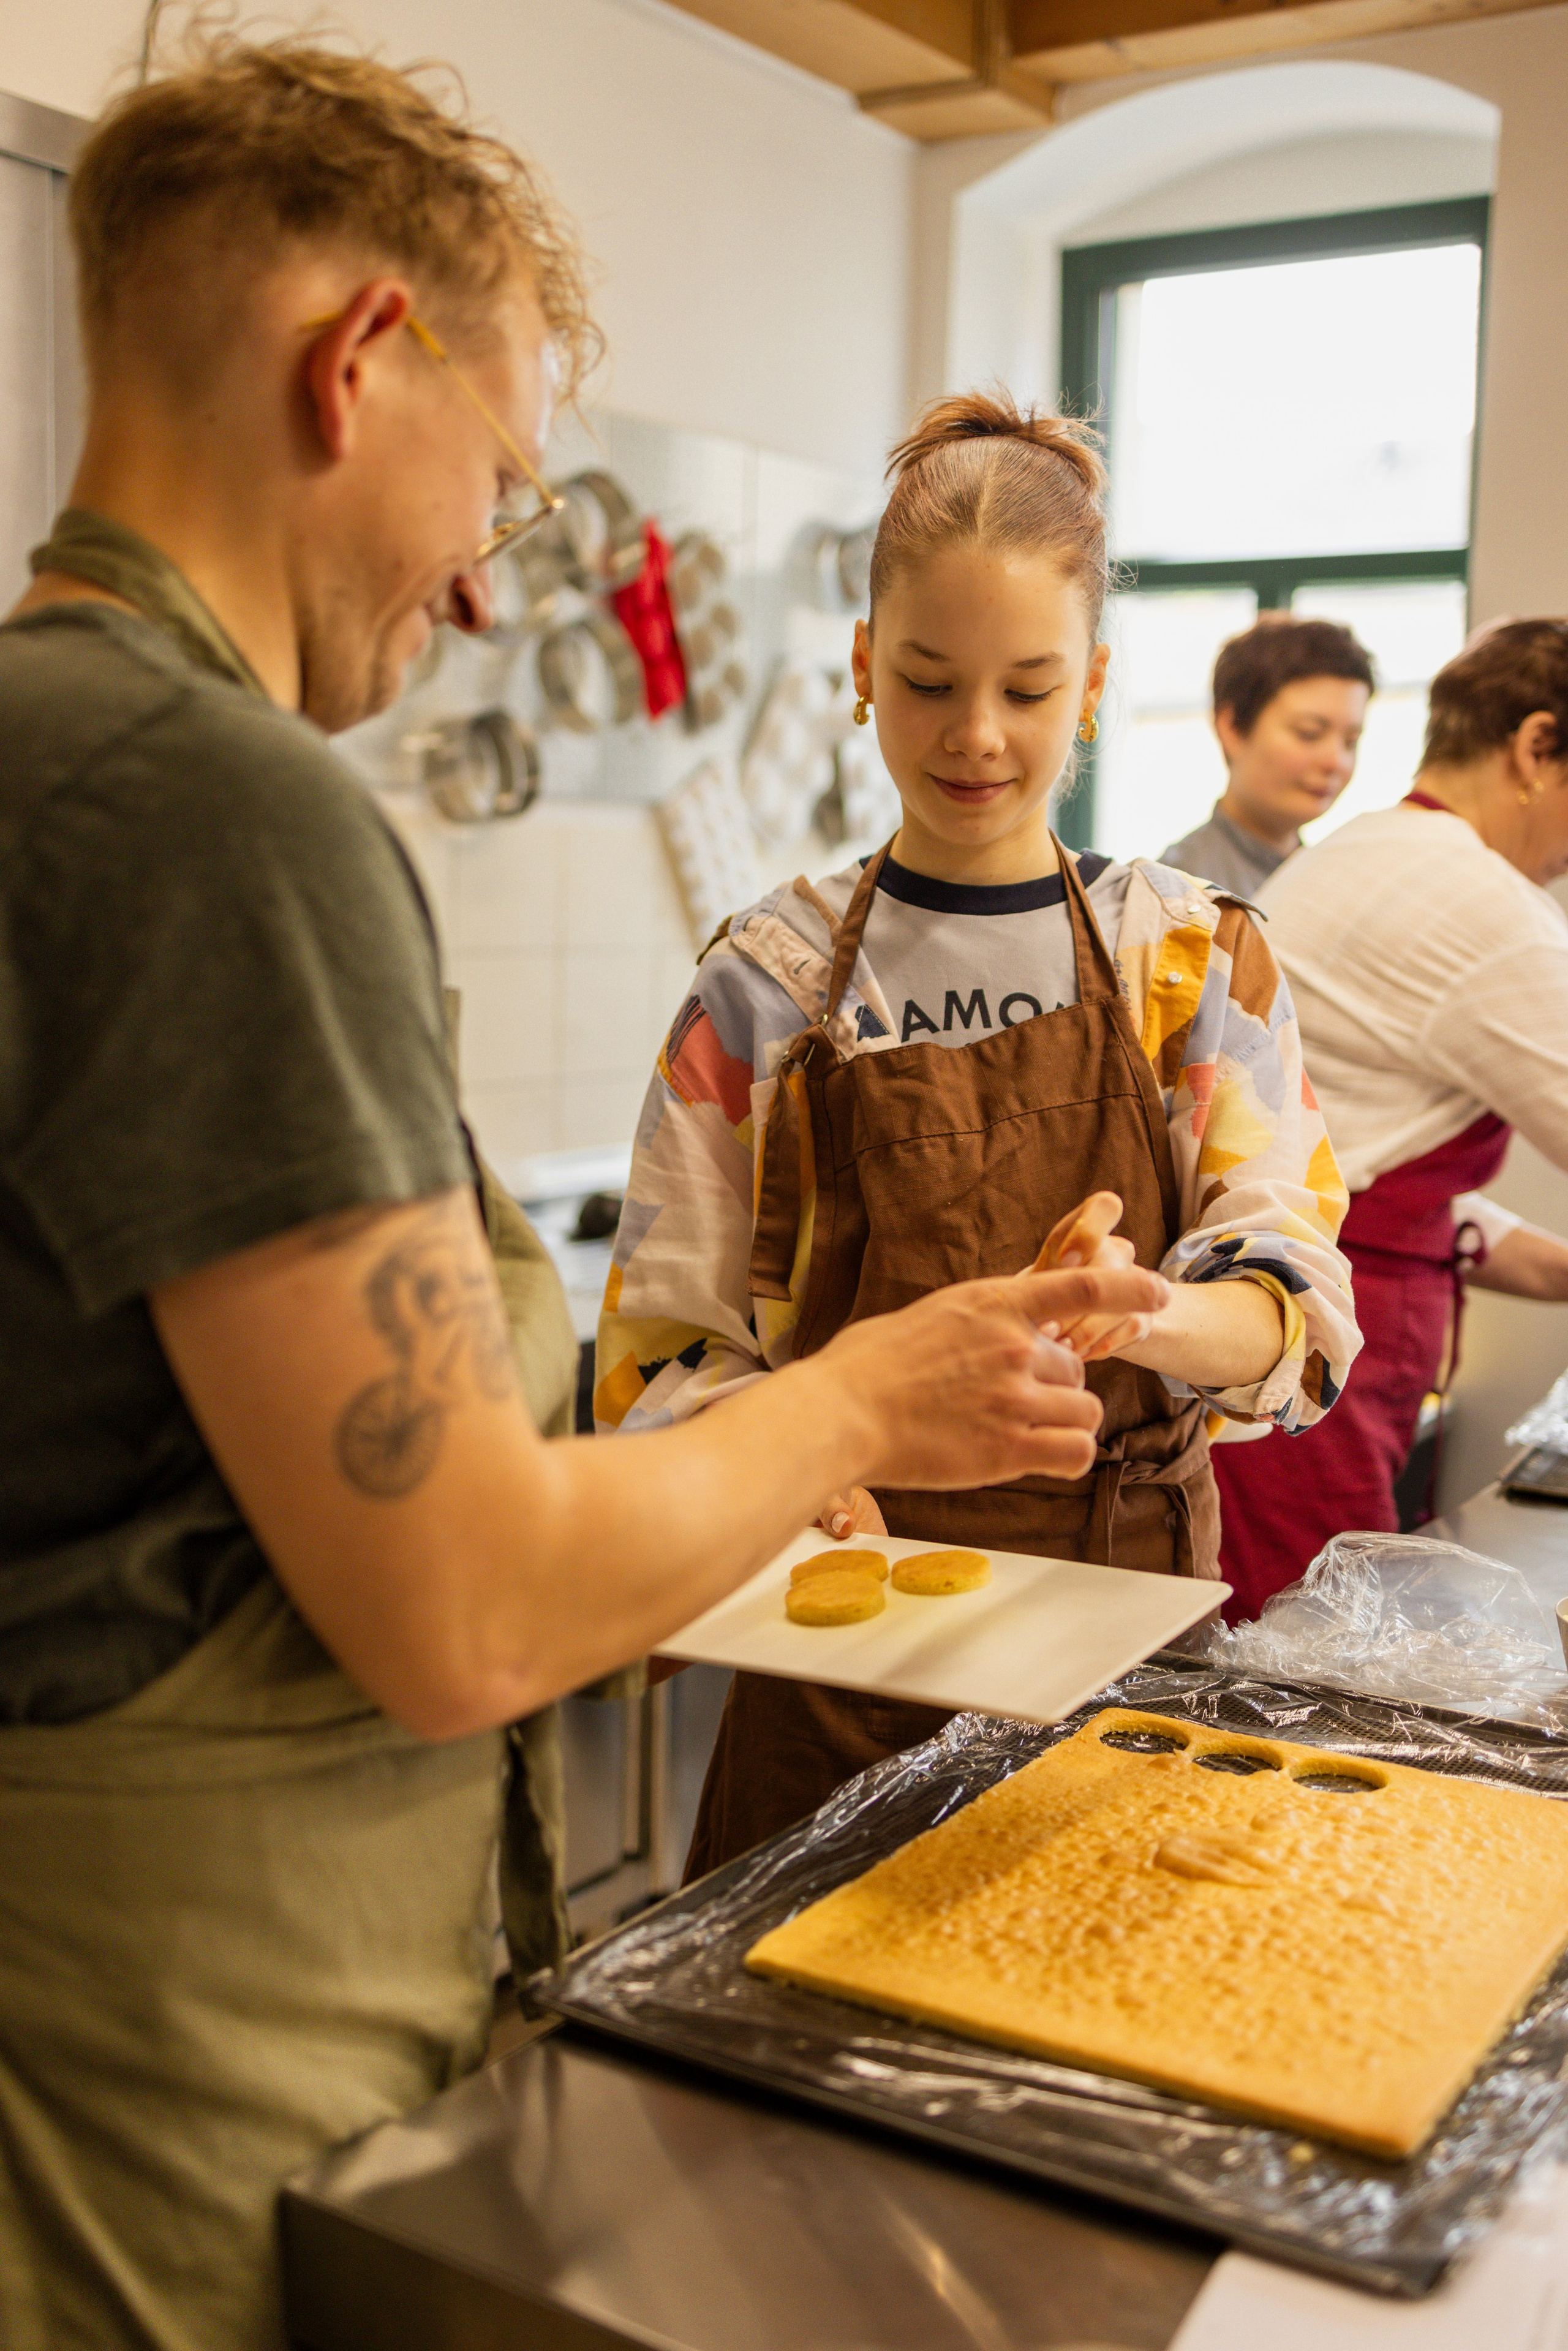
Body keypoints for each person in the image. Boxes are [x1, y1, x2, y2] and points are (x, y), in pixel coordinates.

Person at [0, 43, 1167, 2351]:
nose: (478, 581)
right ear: (357, 361)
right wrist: (860, 1395)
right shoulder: (219, 810)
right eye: (506, 481)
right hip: (193, 2052)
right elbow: (466, 1607)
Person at [597, 391, 1361, 1878]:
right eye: (928, 680)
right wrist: (791, 1459)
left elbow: (1295, 1300)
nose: (974, 736)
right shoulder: (767, 985)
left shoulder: (1186, 958)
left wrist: (1148, 1312)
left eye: (1027, 686)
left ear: (1093, 684)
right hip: (841, 1663)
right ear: (861, 666)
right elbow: (660, 1355)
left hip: (1121, 1662)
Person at [1211, 619, 1568, 1620]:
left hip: (1289, 1321)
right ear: (1535, 746)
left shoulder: (1371, 848)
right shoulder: (1485, 905)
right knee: (1307, 1651)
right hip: (1315, 1346)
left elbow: (1364, 1159)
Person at [1162, 614, 1374, 899]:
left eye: (1351, 742)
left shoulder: (1337, 879)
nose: (1336, 762)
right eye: (1309, 733)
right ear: (1232, 728)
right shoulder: (1178, 890)